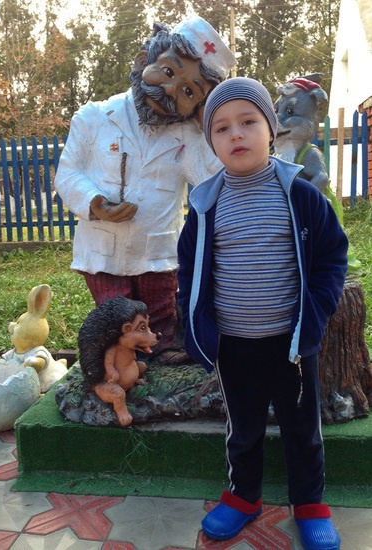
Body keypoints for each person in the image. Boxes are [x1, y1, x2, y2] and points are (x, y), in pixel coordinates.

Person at [177, 77, 348, 549]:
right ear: (212, 142)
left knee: (302, 430)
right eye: (222, 128)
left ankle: (309, 504)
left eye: (248, 122)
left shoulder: (301, 195)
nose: (236, 134)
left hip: (292, 344)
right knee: (243, 428)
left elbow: (332, 256)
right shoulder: (205, 206)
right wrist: (193, 323)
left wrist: (316, 313)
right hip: (233, 344)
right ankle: (243, 497)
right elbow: (189, 270)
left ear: (271, 129)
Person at [54, 15, 235, 365]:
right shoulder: (93, 118)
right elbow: (68, 173)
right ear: (142, 60)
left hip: (158, 254)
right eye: (167, 72)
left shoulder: (189, 137)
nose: (169, 91)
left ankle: (162, 353)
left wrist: (208, 128)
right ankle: (117, 364)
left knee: (160, 311)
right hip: (103, 250)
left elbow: (213, 181)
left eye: (189, 92)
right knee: (114, 314)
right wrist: (95, 203)